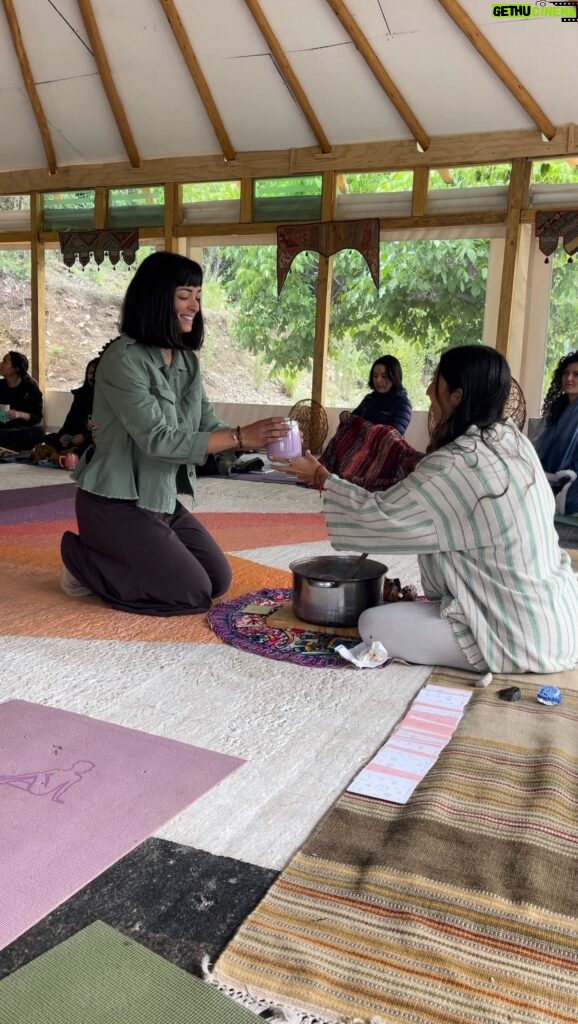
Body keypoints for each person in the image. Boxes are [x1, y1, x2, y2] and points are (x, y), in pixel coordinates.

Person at [275, 345, 578, 675]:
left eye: (437, 381)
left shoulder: (454, 465)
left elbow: (379, 517)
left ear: (457, 396)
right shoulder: (514, 441)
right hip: (559, 616)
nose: (429, 389)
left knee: (373, 623)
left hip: (517, 634)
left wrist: (321, 476)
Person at [60, 251, 289, 615]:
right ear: (156, 298)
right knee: (190, 593)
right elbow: (158, 439)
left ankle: (126, 557)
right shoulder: (123, 359)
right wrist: (241, 436)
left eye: (198, 296)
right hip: (115, 501)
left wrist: (265, 443)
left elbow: (207, 423)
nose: (194, 305)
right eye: (185, 295)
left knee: (217, 579)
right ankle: (82, 560)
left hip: (160, 497)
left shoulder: (185, 360)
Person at [534, 350, 578, 515]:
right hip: (548, 479)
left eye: (576, 374)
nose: (569, 378)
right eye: (566, 373)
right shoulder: (558, 407)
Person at [43, 357, 99, 456]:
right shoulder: (81, 396)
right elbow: (70, 421)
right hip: (75, 439)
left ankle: (73, 452)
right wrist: (64, 437)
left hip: (93, 439)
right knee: (49, 438)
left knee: (91, 448)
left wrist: (85, 437)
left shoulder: (106, 398)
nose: (93, 377)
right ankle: (71, 451)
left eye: (96, 373)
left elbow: (105, 429)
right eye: (90, 373)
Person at [351, 355, 412, 434]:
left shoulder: (403, 404)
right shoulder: (369, 399)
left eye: (384, 376)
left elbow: (391, 437)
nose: (378, 380)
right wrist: (345, 416)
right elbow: (352, 420)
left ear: (394, 377)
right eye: (375, 376)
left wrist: (363, 427)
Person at [0, 350, 46, 452]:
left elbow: (37, 417)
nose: (1, 364)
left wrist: (19, 414)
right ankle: (12, 450)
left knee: (39, 432)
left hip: (23, 430)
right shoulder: (0, 386)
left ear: (16, 369)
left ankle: (8, 450)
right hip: (3, 429)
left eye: (5, 362)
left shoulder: (31, 387)